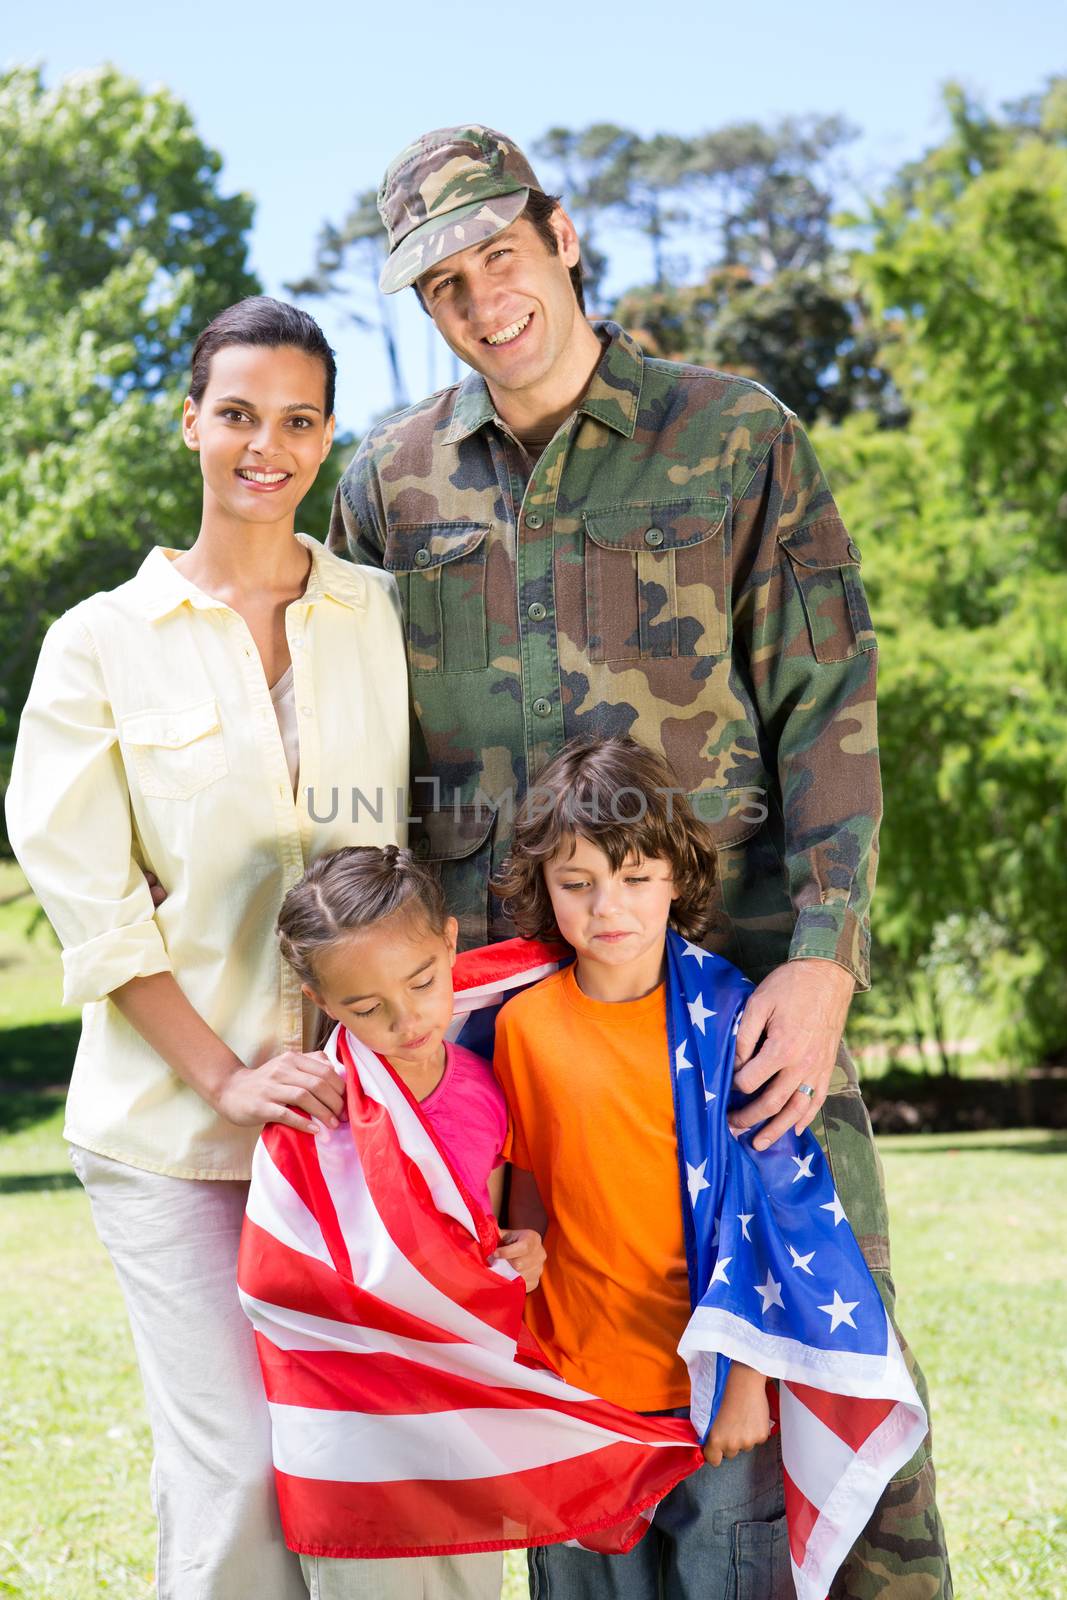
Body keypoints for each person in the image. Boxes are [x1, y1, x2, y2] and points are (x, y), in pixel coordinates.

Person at [328, 124, 950, 1595]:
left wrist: (820, 961)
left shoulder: (732, 433)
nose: (485, 303)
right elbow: (354, 752)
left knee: (824, 1352)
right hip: (511, 1024)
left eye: (500, 256)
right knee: (572, 1391)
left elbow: (826, 703)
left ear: (557, 232)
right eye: (444, 286)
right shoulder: (389, 484)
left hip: (730, 1002)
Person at [5, 297, 409, 1599]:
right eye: (237, 414)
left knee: (363, 1479)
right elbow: (99, 912)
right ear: (189, 423)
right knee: (234, 1475)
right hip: (173, 1135)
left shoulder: (384, 622)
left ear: (328, 436)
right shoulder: (97, 648)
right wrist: (228, 1080)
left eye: (297, 421)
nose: (265, 446)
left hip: (358, 1130)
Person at [492, 737, 787, 1596]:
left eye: (634, 879)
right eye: (576, 884)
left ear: (677, 878)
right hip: (577, 1391)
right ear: (545, 890)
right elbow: (529, 1178)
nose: (606, 907)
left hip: (709, 1390)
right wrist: (527, 1246)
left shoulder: (728, 1016)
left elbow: (761, 1214)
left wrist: (746, 1384)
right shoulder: (524, 1027)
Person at [270, 841, 548, 1598]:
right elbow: (288, 1274)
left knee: (467, 1575)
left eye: (423, 983)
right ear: (321, 1001)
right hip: (357, 1409)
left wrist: (523, 1255)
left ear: (451, 943)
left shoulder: (485, 1083)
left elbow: (485, 1225)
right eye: (366, 1009)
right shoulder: (316, 1110)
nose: (405, 1019)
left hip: (460, 1396)